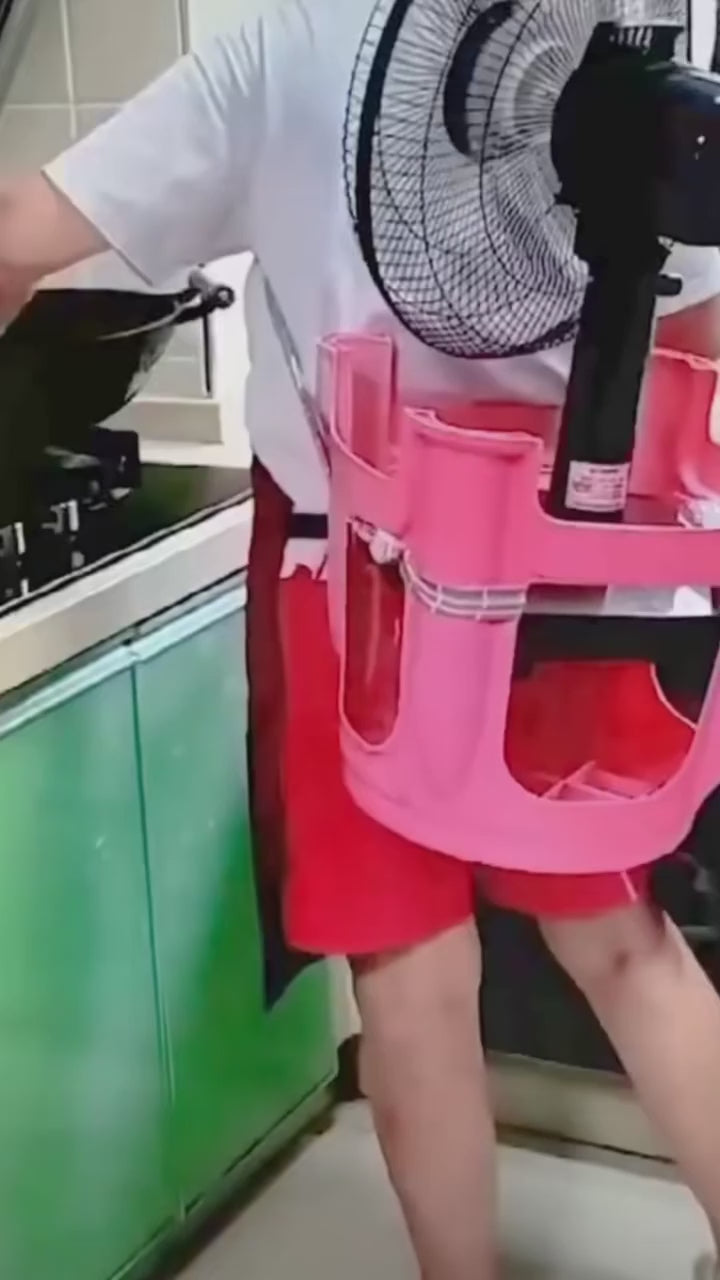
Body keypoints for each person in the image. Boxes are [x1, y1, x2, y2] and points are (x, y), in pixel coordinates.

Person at [2, 2, 720, 1276]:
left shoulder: (283, 47)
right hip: (570, 566)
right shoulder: (618, 46)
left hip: (357, 584)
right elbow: (698, 342)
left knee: (411, 977)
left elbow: (17, 234)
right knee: (624, 945)